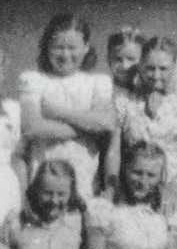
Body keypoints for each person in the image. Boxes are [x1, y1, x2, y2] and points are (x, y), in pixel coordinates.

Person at [110, 37, 177, 249]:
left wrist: (173, 187)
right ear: (140, 66)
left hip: (175, 188)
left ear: (174, 67)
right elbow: (114, 151)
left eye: (163, 68)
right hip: (135, 185)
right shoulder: (125, 102)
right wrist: (111, 186)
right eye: (150, 68)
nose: (156, 74)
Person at [18, 13, 115, 201]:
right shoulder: (34, 80)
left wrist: (56, 112)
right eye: (58, 47)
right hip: (43, 175)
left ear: (86, 48)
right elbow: (32, 127)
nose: (65, 54)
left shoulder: (98, 82)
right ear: (47, 47)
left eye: (72, 48)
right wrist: (87, 129)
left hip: (84, 175)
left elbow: (105, 123)